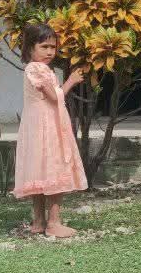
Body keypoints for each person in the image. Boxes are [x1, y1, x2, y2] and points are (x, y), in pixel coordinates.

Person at [13, 22, 88, 237]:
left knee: (39, 170)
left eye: (53, 47)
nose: (49, 52)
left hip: (38, 126)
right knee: (55, 168)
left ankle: (38, 221)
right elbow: (54, 97)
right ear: (30, 48)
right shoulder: (37, 69)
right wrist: (71, 81)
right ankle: (53, 223)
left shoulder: (36, 69)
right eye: (44, 46)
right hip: (47, 126)